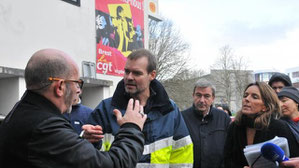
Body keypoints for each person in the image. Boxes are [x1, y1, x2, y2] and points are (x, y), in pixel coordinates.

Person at [0, 48, 147, 168]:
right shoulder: (45, 127)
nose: (78, 90)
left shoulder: (23, 111)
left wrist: (78, 143)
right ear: (60, 87)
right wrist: (132, 128)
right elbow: (113, 165)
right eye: (76, 83)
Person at [85, 49, 193, 167]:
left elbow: (182, 155)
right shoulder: (106, 109)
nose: (129, 77)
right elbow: (90, 156)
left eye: (137, 73)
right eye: (127, 71)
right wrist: (87, 139)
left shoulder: (169, 110)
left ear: (152, 75)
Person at [224, 82, 299, 168]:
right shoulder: (234, 126)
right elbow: (227, 160)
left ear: (266, 106)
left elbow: (293, 160)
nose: (247, 99)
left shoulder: (280, 127)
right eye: (245, 95)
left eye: (254, 97)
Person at [182, 80, 231, 168]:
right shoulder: (182, 118)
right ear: (193, 95)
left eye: (206, 96)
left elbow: (230, 149)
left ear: (213, 98)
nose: (202, 100)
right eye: (198, 95)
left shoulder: (223, 118)